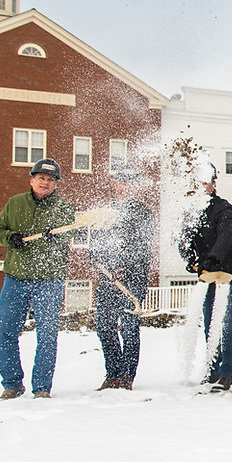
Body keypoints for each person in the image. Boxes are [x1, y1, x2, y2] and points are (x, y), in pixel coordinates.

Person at [0, 158, 75, 399]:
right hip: (16, 277)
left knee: (47, 335)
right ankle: (12, 383)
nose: (45, 182)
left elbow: (69, 234)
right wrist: (10, 238)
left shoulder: (64, 208)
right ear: (32, 180)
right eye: (41, 178)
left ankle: (41, 388)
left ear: (56, 184)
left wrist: (55, 237)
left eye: (50, 179)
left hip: (49, 279)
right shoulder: (15, 203)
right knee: (5, 331)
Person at [179, 163, 232, 392]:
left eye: (205, 182)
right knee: (210, 322)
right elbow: (185, 238)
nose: (200, 187)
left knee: (226, 323)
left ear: (213, 184)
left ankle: (227, 372)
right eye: (196, 183)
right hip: (208, 275)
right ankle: (212, 368)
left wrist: (213, 257)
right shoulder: (192, 210)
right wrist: (189, 257)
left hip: (228, 274)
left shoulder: (223, 208)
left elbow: (226, 236)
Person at [89, 164, 155, 390]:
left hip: (132, 280)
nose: (124, 186)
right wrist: (98, 262)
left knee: (128, 328)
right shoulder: (104, 213)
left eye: (130, 182)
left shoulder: (144, 213)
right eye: (121, 181)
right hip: (108, 279)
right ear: (115, 184)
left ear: (136, 186)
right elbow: (95, 243)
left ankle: (127, 376)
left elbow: (142, 247)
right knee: (105, 327)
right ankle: (113, 374)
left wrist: (123, 267)